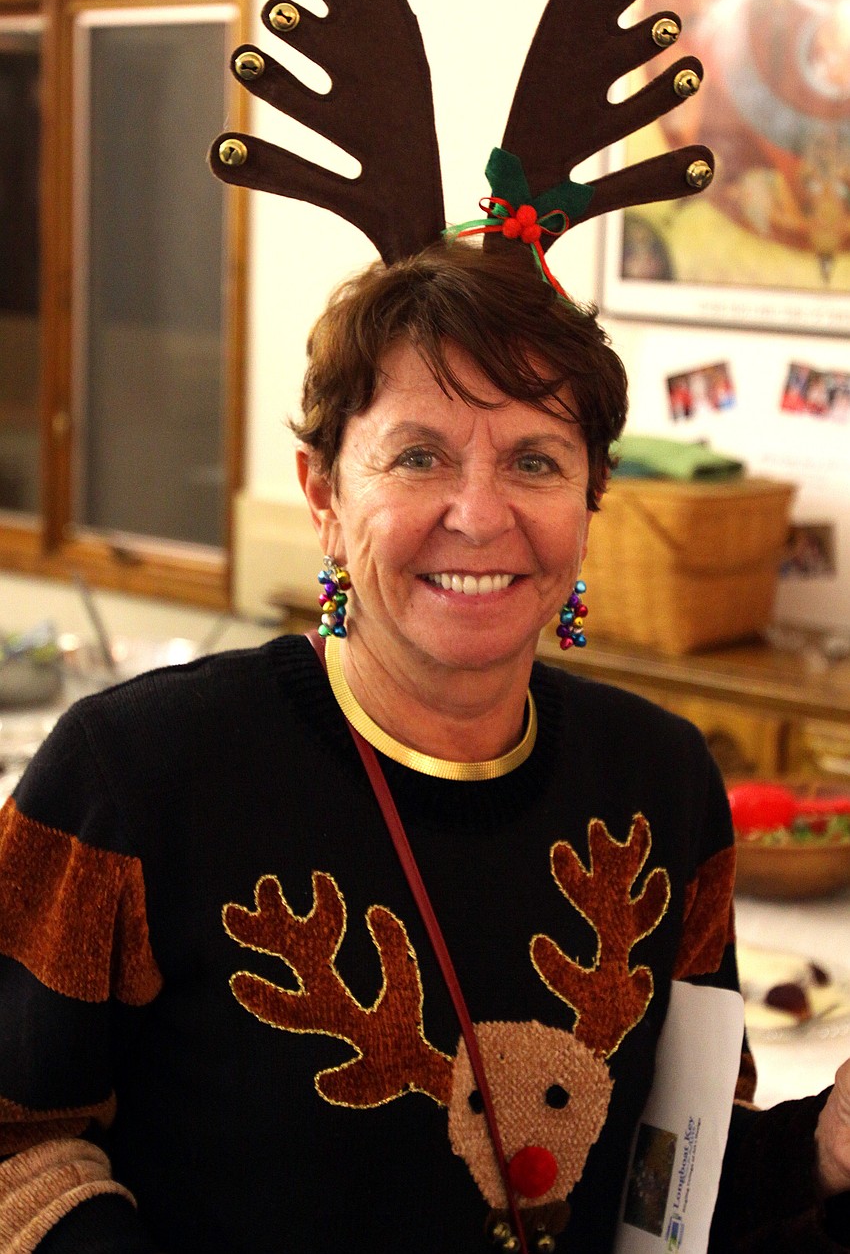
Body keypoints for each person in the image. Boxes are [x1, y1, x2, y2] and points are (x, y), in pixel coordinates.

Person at [3, 241, 850, 1254]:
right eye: (418, 457)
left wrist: (823, 1153)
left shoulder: (659, 786)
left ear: (588, 504)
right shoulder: (131, 778)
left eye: (535, 461)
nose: (480, 514)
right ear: (322, 494)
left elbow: (667, 1178)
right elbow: (17, 1146)